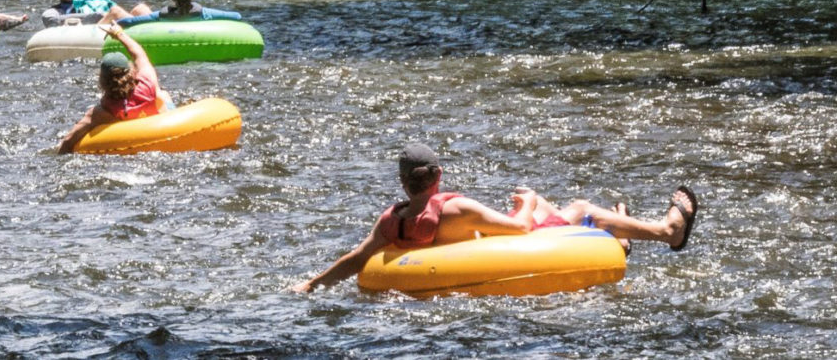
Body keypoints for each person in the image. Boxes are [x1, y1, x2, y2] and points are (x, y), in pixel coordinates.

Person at [292, 143, 699, 293]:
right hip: (503, 252)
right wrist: (529, 198)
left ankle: (621, 237)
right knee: (577, 208)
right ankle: (668, 231)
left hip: (442, 263)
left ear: (403, 184)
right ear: (438, 177)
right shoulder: (455, 208)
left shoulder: (391, 221)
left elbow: (356, 258)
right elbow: (521, 227)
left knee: (552, 210)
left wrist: (312, 283)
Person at [57, 24, 174, 154]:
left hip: (132, 145)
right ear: (131, 71)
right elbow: (139, 54)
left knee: (161, 94)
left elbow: (69, 140)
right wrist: (118, 33)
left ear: (102, 80)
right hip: (166, 133)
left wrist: (59, 152)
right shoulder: (147, 82)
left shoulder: (102, 111)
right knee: (162, 94)